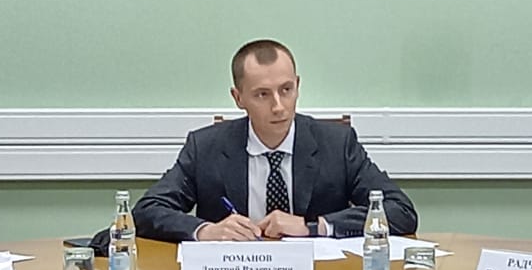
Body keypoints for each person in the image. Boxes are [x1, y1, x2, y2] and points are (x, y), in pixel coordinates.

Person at [129, 39, 417, 242]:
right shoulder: (206, 147)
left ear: (298, 86)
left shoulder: (337, 144)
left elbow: (400, 211)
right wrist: (206, 230)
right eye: (262, 94)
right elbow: (146, 211)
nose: (279, 106)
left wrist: (314, 227)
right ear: (238, 98)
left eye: (286, 90)